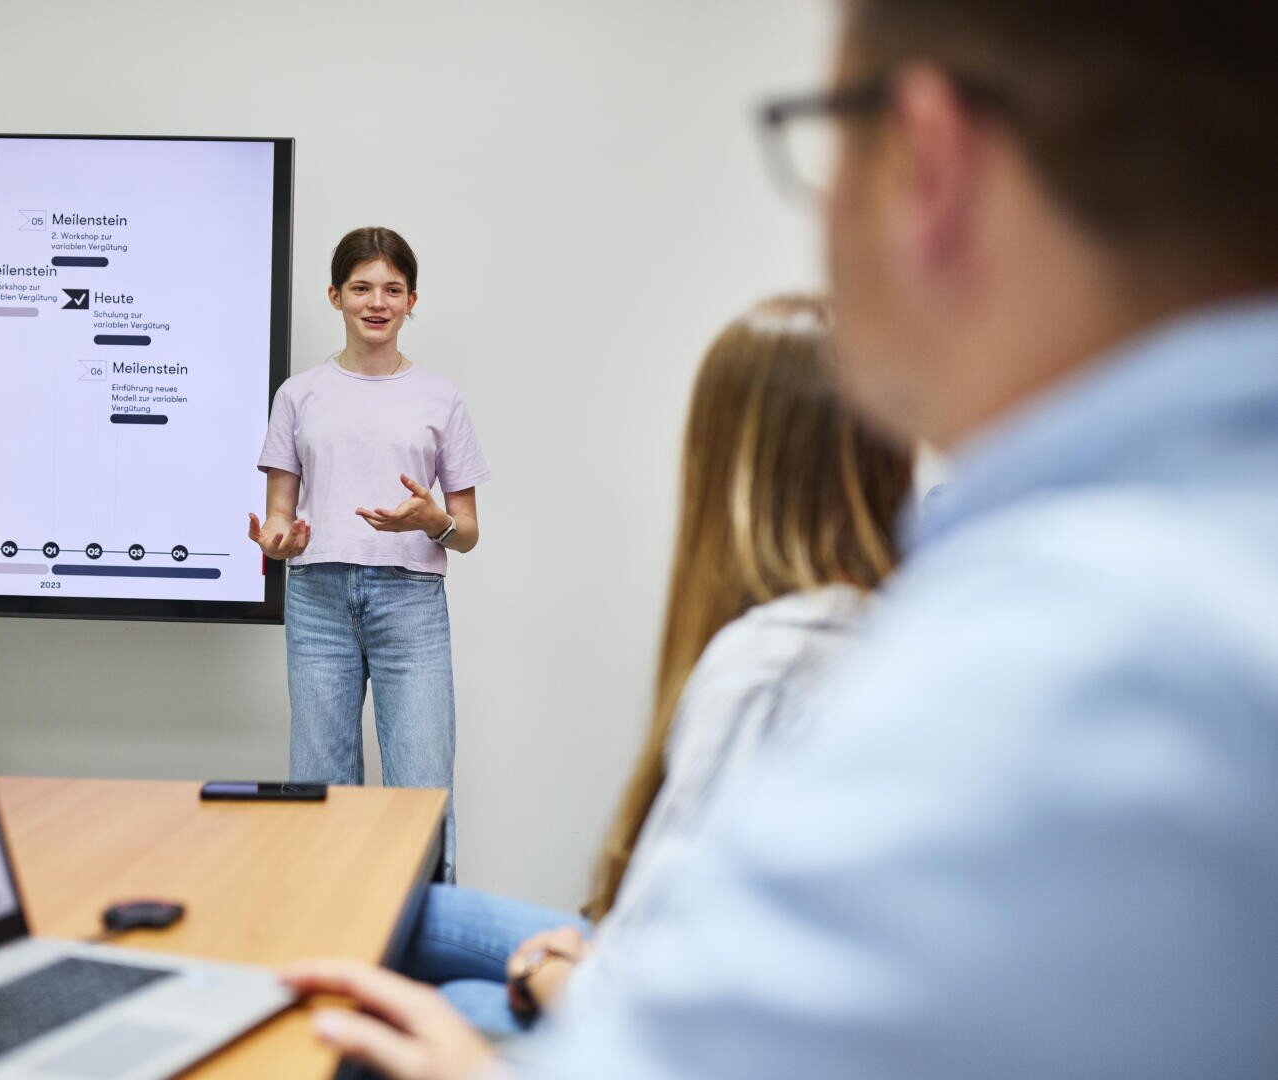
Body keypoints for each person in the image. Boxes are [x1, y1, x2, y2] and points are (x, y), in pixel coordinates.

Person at [282, 1, 1278, 1076]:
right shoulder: (1131, 574)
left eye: (824, 137)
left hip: (431, 640)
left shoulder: (1047, 649)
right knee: (349, 856)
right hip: (329, 605)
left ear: (923, 158)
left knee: (359, 952)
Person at [397, 295, 912, 1036]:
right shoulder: (884, 619)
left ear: (728, 464)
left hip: (673, 1016)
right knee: (413, 909)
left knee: (436, 1003)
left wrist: (548, 970)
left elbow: (665, 1002)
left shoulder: (769, 665)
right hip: (667, 965)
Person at [251, 227, 490, 883]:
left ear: (412, 299)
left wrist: (433, 519)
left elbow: (466, 530)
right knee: (319, 786)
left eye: (391, 289)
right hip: (318, 600)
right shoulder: (299, 394)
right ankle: (328, 936)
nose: (376, 302)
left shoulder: (440, 398)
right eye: (361, 288)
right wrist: (279, 539)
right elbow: (279, 512)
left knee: (419, 789)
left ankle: (421, 948)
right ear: (335, 295)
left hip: (409, 602)